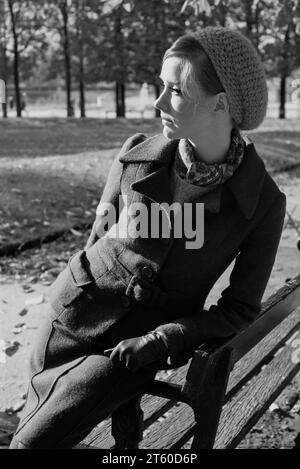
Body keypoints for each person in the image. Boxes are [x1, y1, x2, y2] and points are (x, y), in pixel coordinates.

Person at [10, 26, 286, 449]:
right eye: (161, 85)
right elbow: (97, 238)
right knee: (34, 421)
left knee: (31, 443)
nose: (157, 102)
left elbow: (238, 311)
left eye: (174, 89)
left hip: (133, 350)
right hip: (69, 315)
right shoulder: (136, 151)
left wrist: (164, 339)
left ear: (222, 104)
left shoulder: (262, 203)